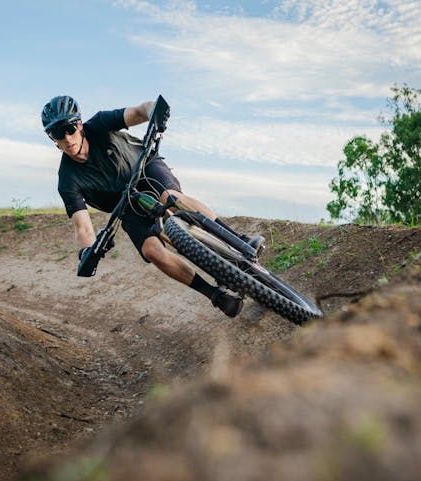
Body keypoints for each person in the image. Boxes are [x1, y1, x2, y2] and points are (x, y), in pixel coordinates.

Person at [41, 95, 264, 318]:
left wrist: (154, 112)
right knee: (152, 251)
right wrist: (88, 251)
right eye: (58, 134)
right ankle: (217, 296)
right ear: (53, 139)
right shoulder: (67, 180)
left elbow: (140, 111)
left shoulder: (99, 124)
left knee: (171, 197)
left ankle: (238, 240)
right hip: (126, 206)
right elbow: (84, 228)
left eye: (70, 129)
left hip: (145, 168)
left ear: (79, 125)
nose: (67, 138)